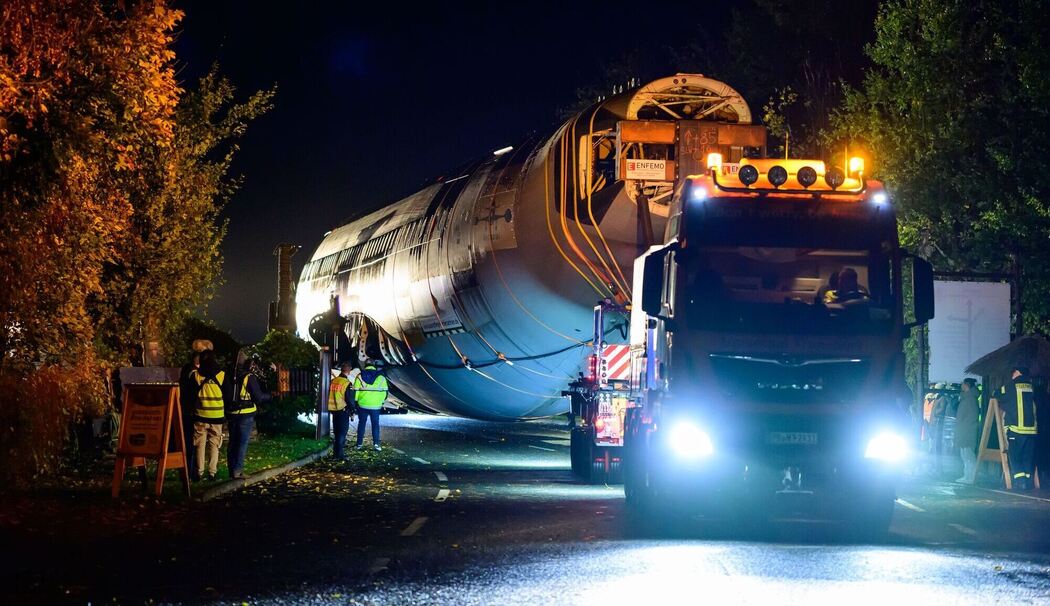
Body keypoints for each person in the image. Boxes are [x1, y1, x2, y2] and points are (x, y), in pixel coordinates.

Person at [227, 357, 271, 479]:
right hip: (245, 414)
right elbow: (258, 397)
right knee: (242, 443)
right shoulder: (249, 377)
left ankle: (232, 470)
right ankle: (238, 471)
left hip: (231, 413)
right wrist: (269, 396)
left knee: (232, 442)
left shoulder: (230, 375)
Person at [1000, 365, 1039, 490]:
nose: (1012, 375)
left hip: (1016, 430)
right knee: (1027, 456)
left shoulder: (1010, 386)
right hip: (1031, 430)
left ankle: (1020, 482)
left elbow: (997, 394)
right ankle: (1027, 482)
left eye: (1013, 373)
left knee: (1015, 456)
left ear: (1017, 372)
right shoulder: (1032, 387)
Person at [190, 349, 226, 480]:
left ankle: (198, 472)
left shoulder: (196, 375)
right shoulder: (222, 375)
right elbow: (226, 394)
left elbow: (191, 394)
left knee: (199, 444)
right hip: (217, 416)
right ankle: (212, 472)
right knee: (214, 444)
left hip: (200, 415)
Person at [354, 360, 389, 451]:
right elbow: (385, 393)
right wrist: (380, 402)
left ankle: (359, 444)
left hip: (362, 405)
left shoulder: (359, 376)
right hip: (376, 406)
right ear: (375, 366)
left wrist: (357, 401)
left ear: (365, 365)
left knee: (362, 424)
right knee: (375, 424)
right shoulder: (381, 377)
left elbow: (356, 392)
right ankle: (376, 444)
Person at [955, 378, 980, 484]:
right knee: (965, 454)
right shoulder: (967, 398)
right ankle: (967, 476)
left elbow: (970, 417)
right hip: (964, 430)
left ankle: (970, 477)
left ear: (966, 385)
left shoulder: (969, 399)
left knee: (968, 455)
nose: (961, 386)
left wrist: (963, 429)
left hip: (967, 431)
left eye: (963, 384)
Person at [327, 362, 355, 460]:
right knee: (342, 433)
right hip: (342, 411)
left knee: (336, 432)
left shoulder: (333, 380)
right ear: (349, 371)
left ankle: (336, 454)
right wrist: (352, 412)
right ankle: (339, 455)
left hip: (334, 410)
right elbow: (350, 400)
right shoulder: (347, 383)